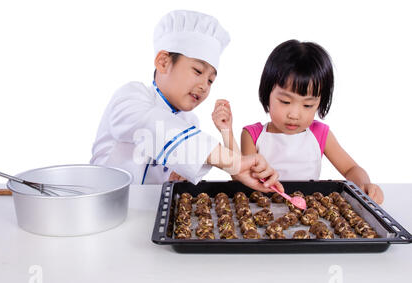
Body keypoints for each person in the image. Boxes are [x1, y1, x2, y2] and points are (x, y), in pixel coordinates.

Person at [90, 10, 282, 193]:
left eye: (210, 80)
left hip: (152, 217)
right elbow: (153, 126)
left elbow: (186, 157)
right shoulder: (131, 96)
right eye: (198, 71)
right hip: (105, 211)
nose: (204, 86)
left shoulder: (190, 123)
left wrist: (178, 180)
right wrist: (230, 160)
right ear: (163, 62)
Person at [212, 39, 383, 204]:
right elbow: (240, 174)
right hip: (261, 209)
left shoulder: (320, 134)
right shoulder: (253, 134)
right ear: (267, 94)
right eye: (285, 102)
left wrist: (364, 185)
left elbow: (350, 169)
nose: (295, 114)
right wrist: (226, 131)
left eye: (308, 105)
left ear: (319, 103)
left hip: (308, 213)